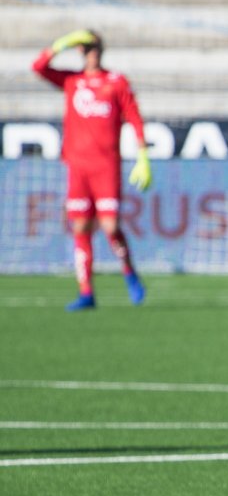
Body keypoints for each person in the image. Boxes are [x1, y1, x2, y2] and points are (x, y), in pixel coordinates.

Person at [33, 29, 151, 311]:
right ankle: (86, 292)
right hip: (78, 166)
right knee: (81, 227)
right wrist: (61, 43)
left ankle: (129, 273)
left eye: (95, 47)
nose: (92, 52)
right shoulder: (72, 82)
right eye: (86, 48)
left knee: (110, 227)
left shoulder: (116, 82)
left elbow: (134, 117)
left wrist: (142, 155)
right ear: (80, 52)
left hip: (106, 166)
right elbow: (38, 67)